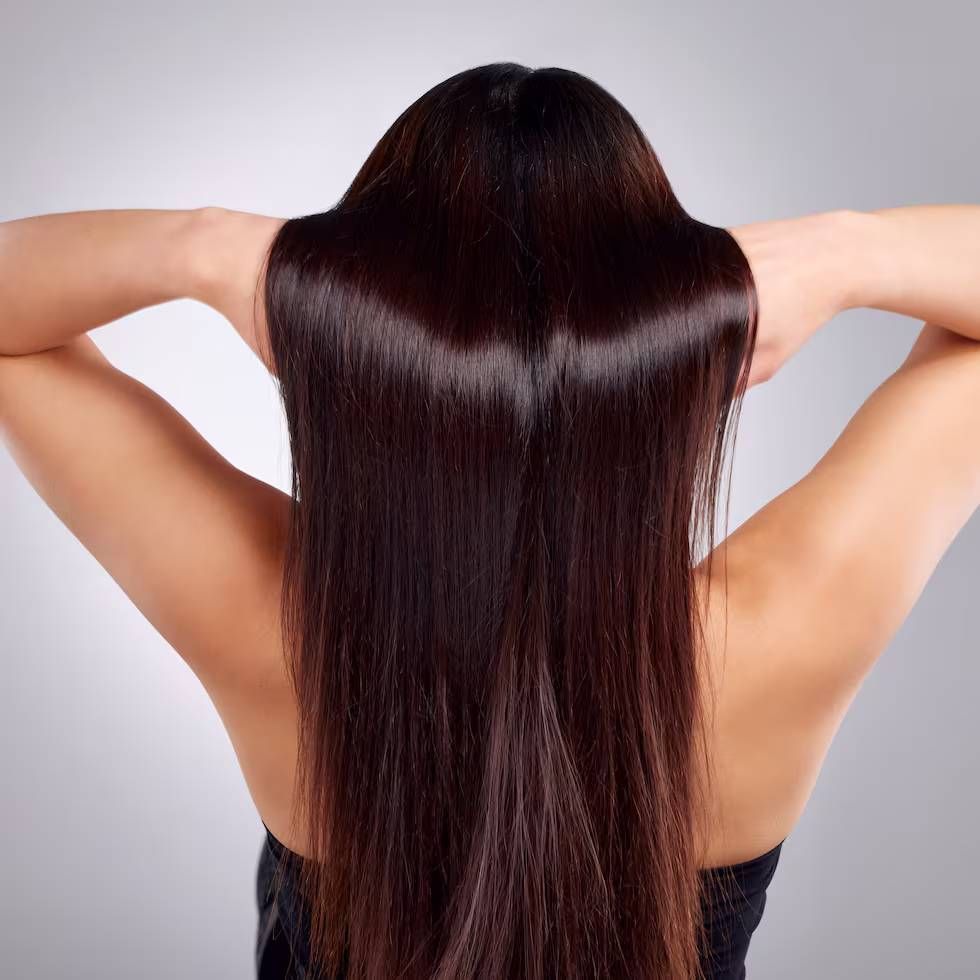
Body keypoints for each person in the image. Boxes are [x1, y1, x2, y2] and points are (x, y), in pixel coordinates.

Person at [1, 63, 978, 980]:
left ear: (369, 340)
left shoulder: (271, 621)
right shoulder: (783, 626)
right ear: (662, 347)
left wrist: (215, 248)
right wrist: (841, 251)